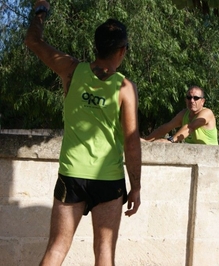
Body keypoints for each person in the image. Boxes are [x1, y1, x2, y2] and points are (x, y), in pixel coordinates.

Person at [25, 1, 142, 265]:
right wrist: (136, 188)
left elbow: (32, 41)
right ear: (122, 51)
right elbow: (132, 143)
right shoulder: (125, 87)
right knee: (104, 253)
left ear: (96, 46)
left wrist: (41, 10)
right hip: (109, 180)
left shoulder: (71, 70)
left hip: (71, 177)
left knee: (56, 249)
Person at [144, 86, 218, 145]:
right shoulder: (184, 114)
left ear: (202, 101)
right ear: (185, 100)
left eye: (196, 98)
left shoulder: (207, 113)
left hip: (211, 158)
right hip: (193, 155)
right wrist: (146, 141)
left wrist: (170, 141)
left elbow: (190, 127)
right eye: (189, 98)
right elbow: (167, 127)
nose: (192, 101)